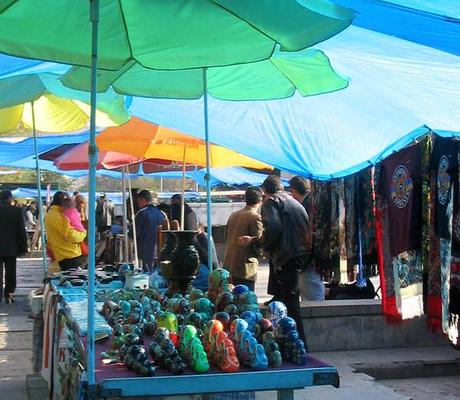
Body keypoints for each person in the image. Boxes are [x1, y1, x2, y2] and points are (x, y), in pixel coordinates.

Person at [239, 175, 310, 345]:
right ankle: (289, 342)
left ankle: (300, 344)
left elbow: (273, 228)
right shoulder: (293, 201)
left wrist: (265, 245)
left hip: (287, 255)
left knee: (291, 304)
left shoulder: (271, 202)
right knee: (286, 299)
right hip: (299, 254)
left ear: (265, 191)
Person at [289, 176, 325, 301]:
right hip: (313, 254)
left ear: (293, 191)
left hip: (309, 256)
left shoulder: (305, 206)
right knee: (310, 288)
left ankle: (317, 318)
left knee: (311, 290)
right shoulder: (313, 201)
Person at [224, 186, 263, 291]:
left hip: (229, 265)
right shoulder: (256, 217)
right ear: (260, 200)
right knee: (245, 300)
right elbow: (260, 242)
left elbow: (225, 237)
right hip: (245, 268)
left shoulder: (234, 215)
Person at [45, 191, 87, 273]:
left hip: (61, 253)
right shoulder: (59, 216)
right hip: (69, 254)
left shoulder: (51, 214)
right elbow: (71, 235)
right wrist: (83, 233)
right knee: (73, 279)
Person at [0, 190, 28, 303]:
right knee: (11, 271)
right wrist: (24, 247)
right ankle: (9, 294)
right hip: (11, 247)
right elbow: (21, 231)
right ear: (10, 199)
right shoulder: (16, 211)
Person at [135, 190, 167, 273]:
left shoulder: (141, 213)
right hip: (160, 250)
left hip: (145, 250)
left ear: (142, 200)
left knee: (145, 274)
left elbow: (135, 234)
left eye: (138, 201)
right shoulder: (162, 214)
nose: (138, 203)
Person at [192, 223, 219, 291]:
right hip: (209, 266)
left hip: (208, 267)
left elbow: (206, 256)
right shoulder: (203, 237)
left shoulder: (204, 237)